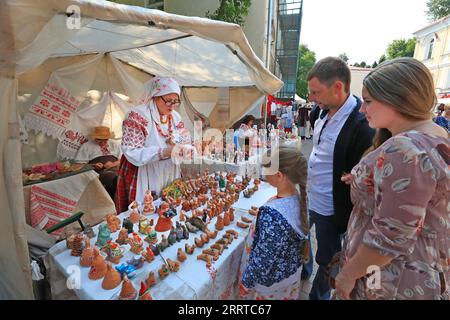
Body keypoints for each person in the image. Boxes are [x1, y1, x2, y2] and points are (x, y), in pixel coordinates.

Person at [334, 58, 449, 300]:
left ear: (398, 98)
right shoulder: (436, 135)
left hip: (388, 279)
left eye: (367, 101)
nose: (362, 109)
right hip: (409, 271)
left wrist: (347, 276)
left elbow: (389, 239)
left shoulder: (406, 149)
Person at [301, 57, 375, 300]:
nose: (311, 97)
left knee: (329, 259)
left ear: (338, 88)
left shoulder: (362, 125)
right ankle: (305, 270)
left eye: (315, 92)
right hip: (310, 195)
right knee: (302, 239)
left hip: (332, 208)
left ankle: (318, 295)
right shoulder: (319, 112)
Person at [239, 145, 309, 300]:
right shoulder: (298, 198)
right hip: (289, 277)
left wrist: (246, 282)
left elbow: (263, 260)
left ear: (279, 175)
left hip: (270, 287)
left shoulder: (272, 216)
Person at [115, 77, 190, 213]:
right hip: (142, 171)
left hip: (168, 171)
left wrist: (184, 148)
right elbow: (132, 151)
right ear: (155, 97)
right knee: (143, 212)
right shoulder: (137, 116)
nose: (172, 106)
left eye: (176, 101)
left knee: (168, 206)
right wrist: (165, 151)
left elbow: (183, 139)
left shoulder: (175, 117)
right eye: (168, 101)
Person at [74, 126, 121, 200]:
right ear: (95, 138)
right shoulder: (87, 146)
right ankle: (113, 203)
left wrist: (113, 164)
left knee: (121, 177)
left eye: (105, 140)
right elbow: (78, 165)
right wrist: (93, 165)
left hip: (116, 169)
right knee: (112, 177)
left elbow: (123, 159)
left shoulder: (114, 144)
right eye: (100, 140)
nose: (103, 142)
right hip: (99, 172)